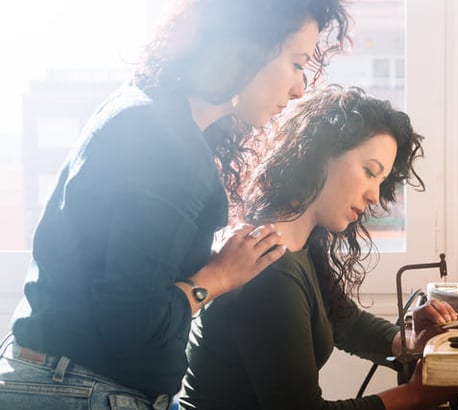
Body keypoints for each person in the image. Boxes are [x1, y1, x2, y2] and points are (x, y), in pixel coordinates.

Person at [0, 1, 350, 409]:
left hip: (68, 382)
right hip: (79, 390)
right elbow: (131, 323)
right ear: (246, 47)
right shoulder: (164, 143)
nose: (299, 88)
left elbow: (124, 285)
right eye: (296, 63)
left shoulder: (151, 117)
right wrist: (216, 278)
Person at [179, 85, 458, 410]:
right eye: (370, 172)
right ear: (317, 156)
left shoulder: (298, 244)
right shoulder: (270, 270)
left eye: (381, 182)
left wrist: (408, 341)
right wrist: (415, 394)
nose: (374, 195)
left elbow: (345, 321)